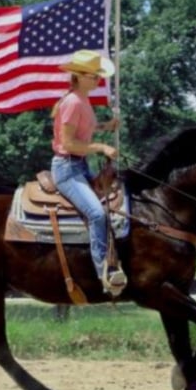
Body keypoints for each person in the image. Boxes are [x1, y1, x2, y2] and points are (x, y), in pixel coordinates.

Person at [50, 49, 127, 296]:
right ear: (79, 76)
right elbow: (68, 143)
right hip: (67, 168)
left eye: (98, 76)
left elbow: (85, 131)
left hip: (80, 165)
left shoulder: (82, 100)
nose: (97, 80)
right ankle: (102, 271)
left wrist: (106, 126)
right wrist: (100, 147)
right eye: (93, 76)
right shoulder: (73, 102)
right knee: (96, 214)